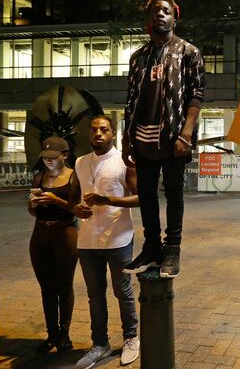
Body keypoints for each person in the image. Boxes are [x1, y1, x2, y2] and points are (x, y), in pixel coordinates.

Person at [121, 0, 205, 277]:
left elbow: (197, 96)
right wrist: (125, 139)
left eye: (166, 11)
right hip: (143, 136)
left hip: (173, 138)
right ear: (149, 18)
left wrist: (186, 134)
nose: (161, 14)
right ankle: (152, 247)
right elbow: (131, 99)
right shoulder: (138, 58)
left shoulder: (189, 52)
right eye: (156, 10)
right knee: (145, 194)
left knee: (174, 194)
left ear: (175, 17)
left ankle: (173, 249)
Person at [71, 116, 141, 368]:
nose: (98, 133)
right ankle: (100, 343)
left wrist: (108, 200)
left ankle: (131, 338)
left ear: (113, 132)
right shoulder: (80, 163)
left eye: (104, 129)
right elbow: (74, 199)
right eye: (94, 129)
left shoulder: (125, 161)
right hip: (87, 240)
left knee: (123, 291)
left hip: (118, 238)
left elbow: (140, 198)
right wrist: (77, 209)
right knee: (94, 295)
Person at [28, 136, 80, 354]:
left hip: (65, 232)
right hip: (41, 233)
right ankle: (51, 334)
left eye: (53, 157)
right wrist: (33, 204)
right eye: (45, 157)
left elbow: (77, 208)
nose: (48, 161)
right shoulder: (39, 177)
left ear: (65, 156)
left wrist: (55, 200)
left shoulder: (74, 177)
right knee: (46, 287)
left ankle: (64, 333)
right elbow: (32, 211)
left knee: (64, 285)